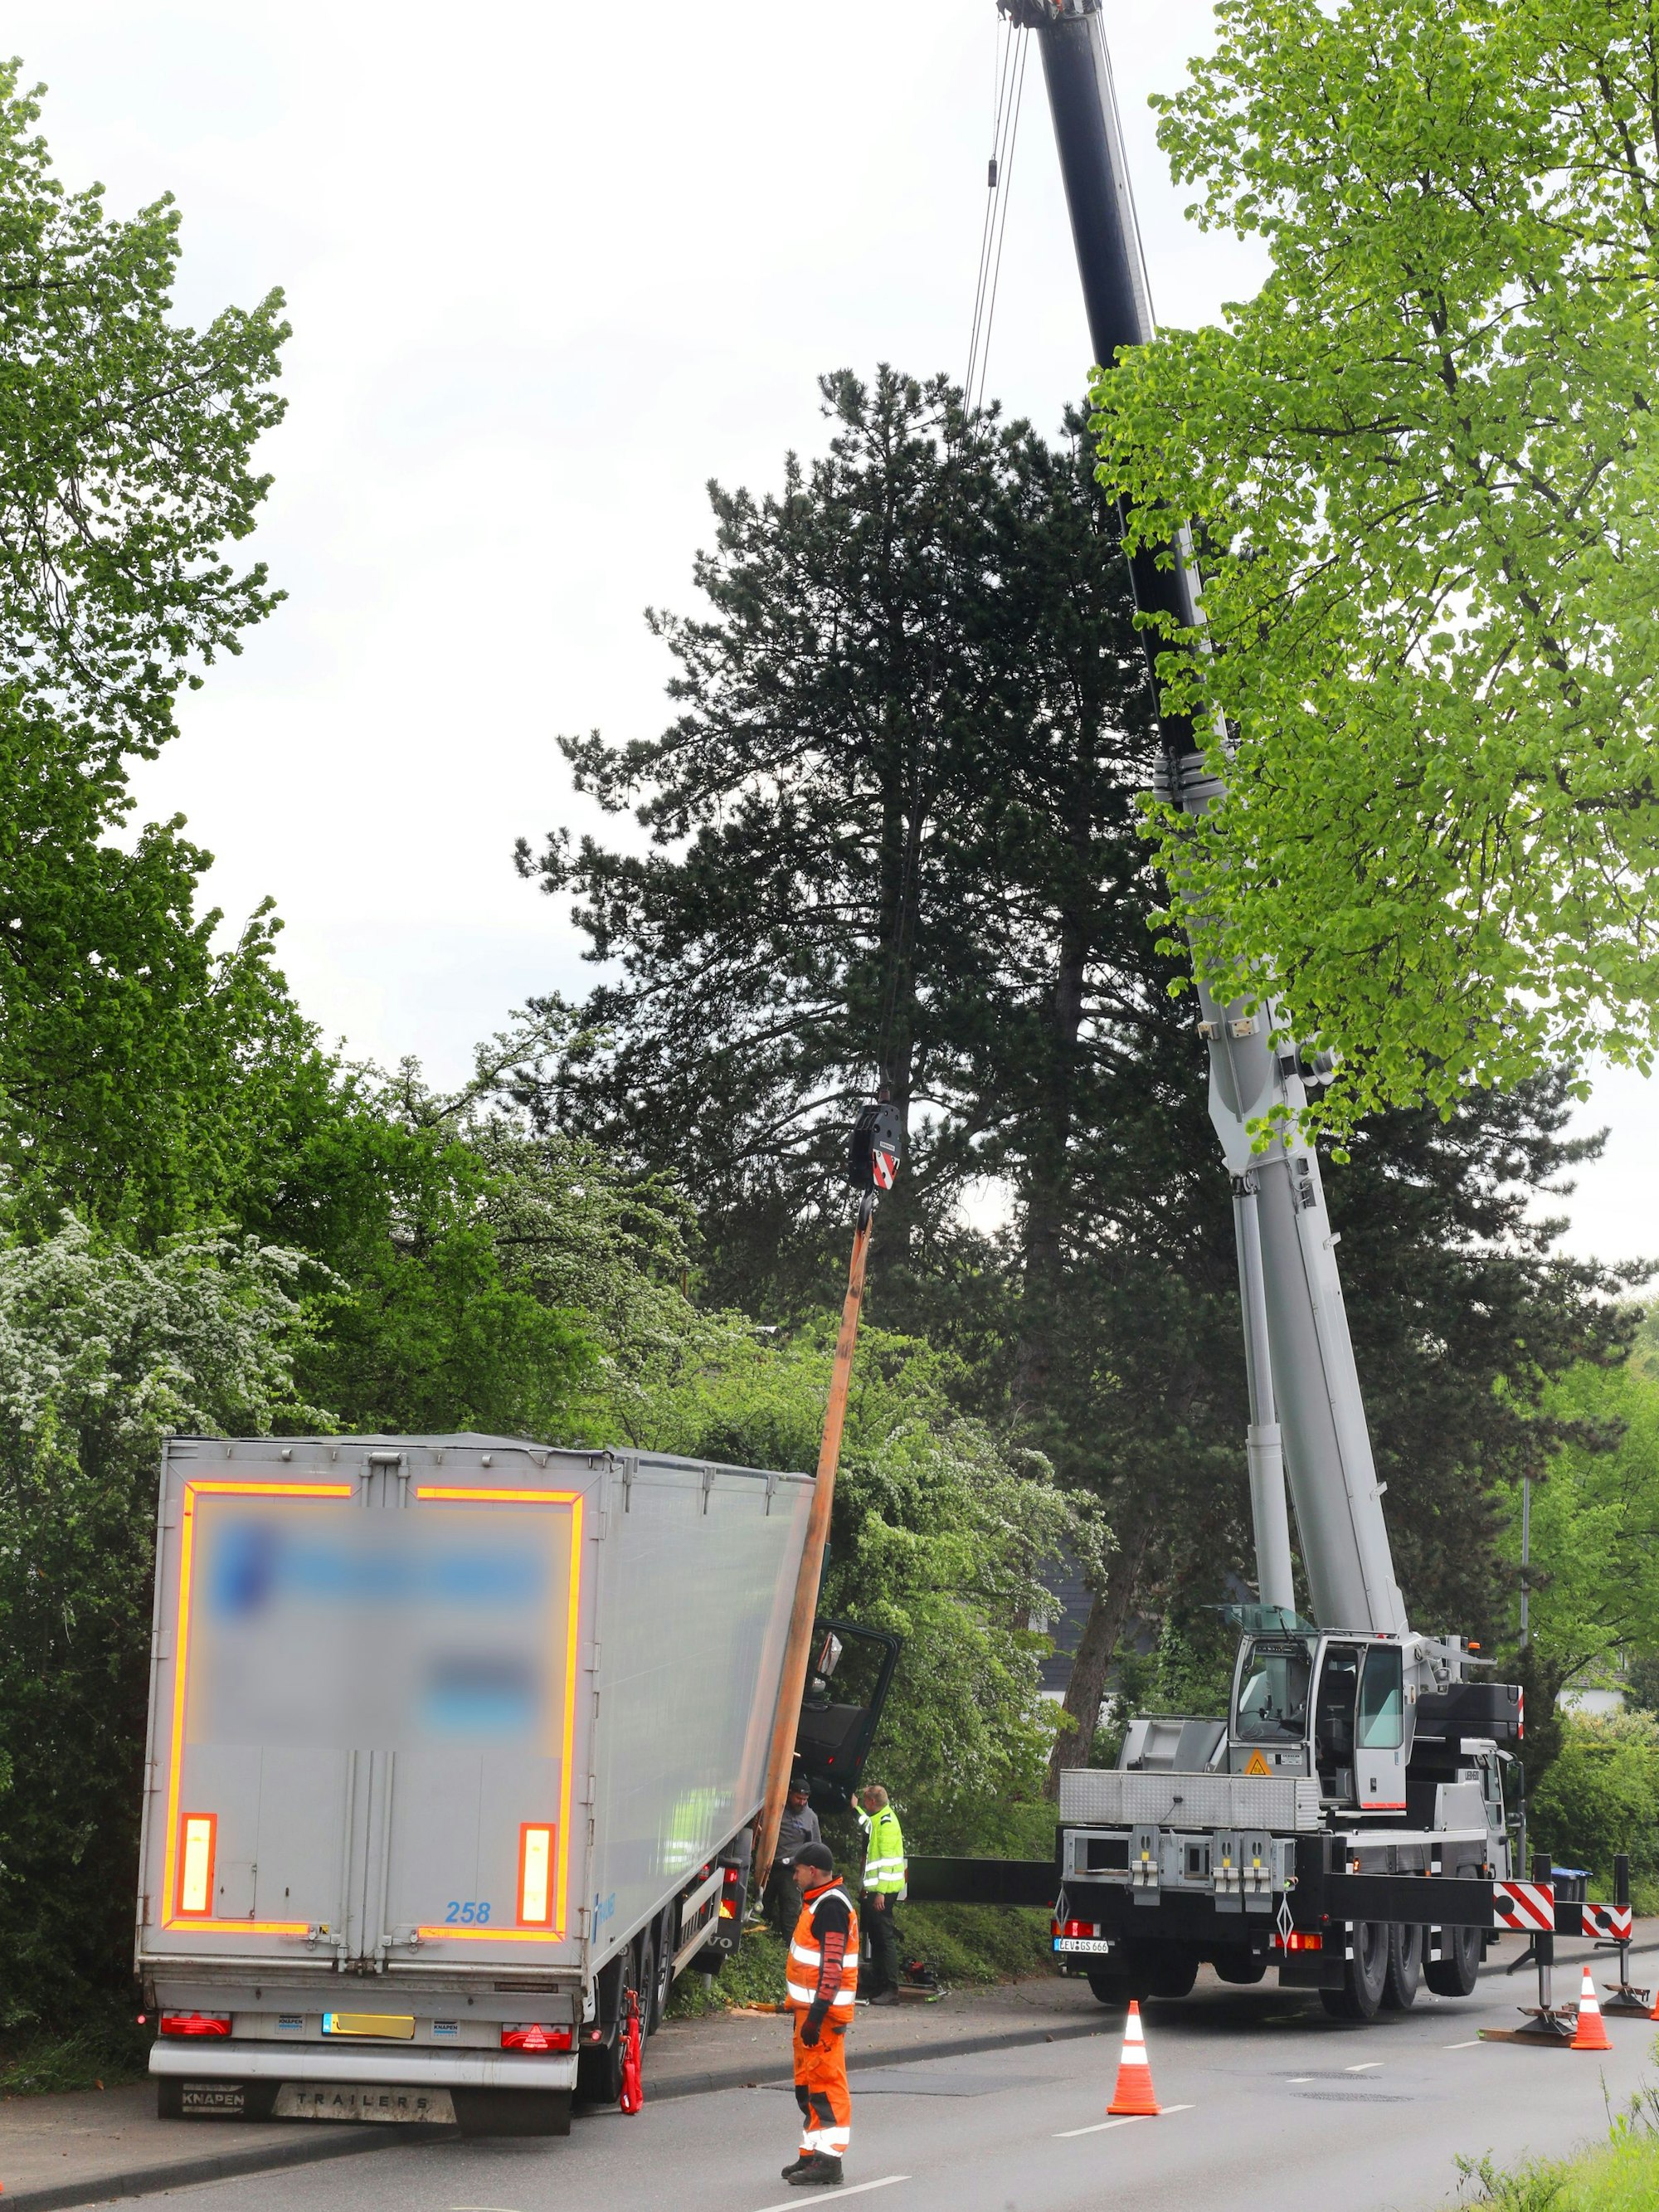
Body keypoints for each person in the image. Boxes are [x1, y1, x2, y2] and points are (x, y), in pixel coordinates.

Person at [781, 1841, 858, 2190]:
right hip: (810, 2015)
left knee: (826, 2086)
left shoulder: (831, 1907)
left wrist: (816, 2015)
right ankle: (812, 2153)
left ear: (812, 1871)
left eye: (797, 1870)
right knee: (808, 2087)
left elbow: (832, 1967)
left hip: (822, 2018)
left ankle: (829, 2162)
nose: (794, 1876)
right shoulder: (819, 1902)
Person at [855, 1783, 907, 2004]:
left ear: (872, 1802)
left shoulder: (886, 1824)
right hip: (877, 1889)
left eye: (865, 1801)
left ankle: (890, 1988)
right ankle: (877, 1985)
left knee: (884, 1938)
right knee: (876, 1937)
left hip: (883, 1890)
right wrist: (855, 1808)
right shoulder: (879, 1817)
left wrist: (881, 1894)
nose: (865, 1804)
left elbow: (886, 1863)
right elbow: (867, 1824)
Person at [764, 1776, 823, 1933]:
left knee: (790, 1912)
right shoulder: (778, 1808)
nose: (801, 1802)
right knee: (763, 1906)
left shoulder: (811, 1818)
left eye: (805, 1799)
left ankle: (788, 1944)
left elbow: (815, 1847)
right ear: (790, 1793)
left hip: (792, 1871)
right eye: (798, 1798)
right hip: (769, 1866)